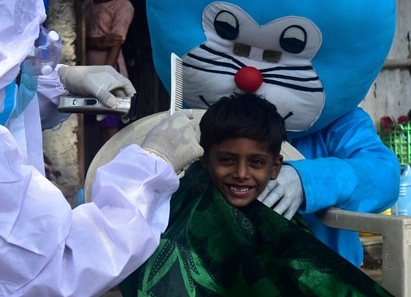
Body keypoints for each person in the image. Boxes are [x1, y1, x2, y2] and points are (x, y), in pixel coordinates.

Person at [0, 0, 203, 296]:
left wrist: (60, 81)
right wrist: (151, 168)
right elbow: (64, 264)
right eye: (22, 39)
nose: (39, 47)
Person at [119, 93, 392, 296]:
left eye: (256, 163)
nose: (241, 173)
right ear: (203, 159)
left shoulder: (279, 221)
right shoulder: (184, 207)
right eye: (226, 160)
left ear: (276, 167)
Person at [83, 0, 135, 151]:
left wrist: (107, 74)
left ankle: (112, 165)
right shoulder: (89, 2)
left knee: (109, 124)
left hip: (108, 69)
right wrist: (95, 41)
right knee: (88, 121)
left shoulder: (123, 5)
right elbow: (77, 34)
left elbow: (116, 41)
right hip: (85, 70)